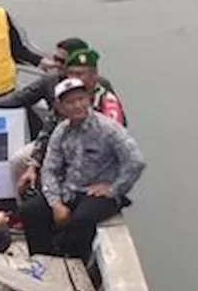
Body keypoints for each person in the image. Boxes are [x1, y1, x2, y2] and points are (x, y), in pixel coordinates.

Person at [0, 39, 124, 193]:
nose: (56, 64)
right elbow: (22, 98)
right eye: (55, 59)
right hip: (54, 139)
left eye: (61, 61)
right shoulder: (51, 81)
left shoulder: (101, 87)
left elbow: (118, 124)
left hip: (90, 146)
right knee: (19, 161)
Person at [19, 78, 146, 260]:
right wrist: (56, 203)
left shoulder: (108, 129)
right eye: (70, 102)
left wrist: (114, 188)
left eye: (81, 99)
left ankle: (74, 262)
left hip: (98, 193)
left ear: (89, 99)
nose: (78, 105)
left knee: (82, 219)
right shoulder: (61, 131)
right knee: (30, 210)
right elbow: (50, 169)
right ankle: (43, 260)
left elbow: (136, 161)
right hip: (70, 189)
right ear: (60, 107)